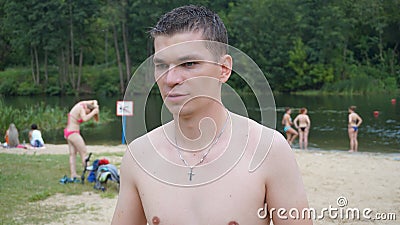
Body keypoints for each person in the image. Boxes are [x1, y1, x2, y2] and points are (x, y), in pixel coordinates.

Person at [112, 5, 310, 225]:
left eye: (188, 64)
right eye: (161, 65)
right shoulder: (139, 157)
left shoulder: (268, 150)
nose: (170, 79)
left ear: (223, 69)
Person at [64, 100, 99, 182]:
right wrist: (94, 112)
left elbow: (95, 101)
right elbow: (84, 118)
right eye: (88, 112)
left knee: (72, 154)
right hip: (73, 133)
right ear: (87, 108)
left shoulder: (82, 103)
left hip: (68, 132)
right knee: (83, 152)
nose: (87, 113)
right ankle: (91, 174)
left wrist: (96, 106)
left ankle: (73, 174)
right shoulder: (81, 108)